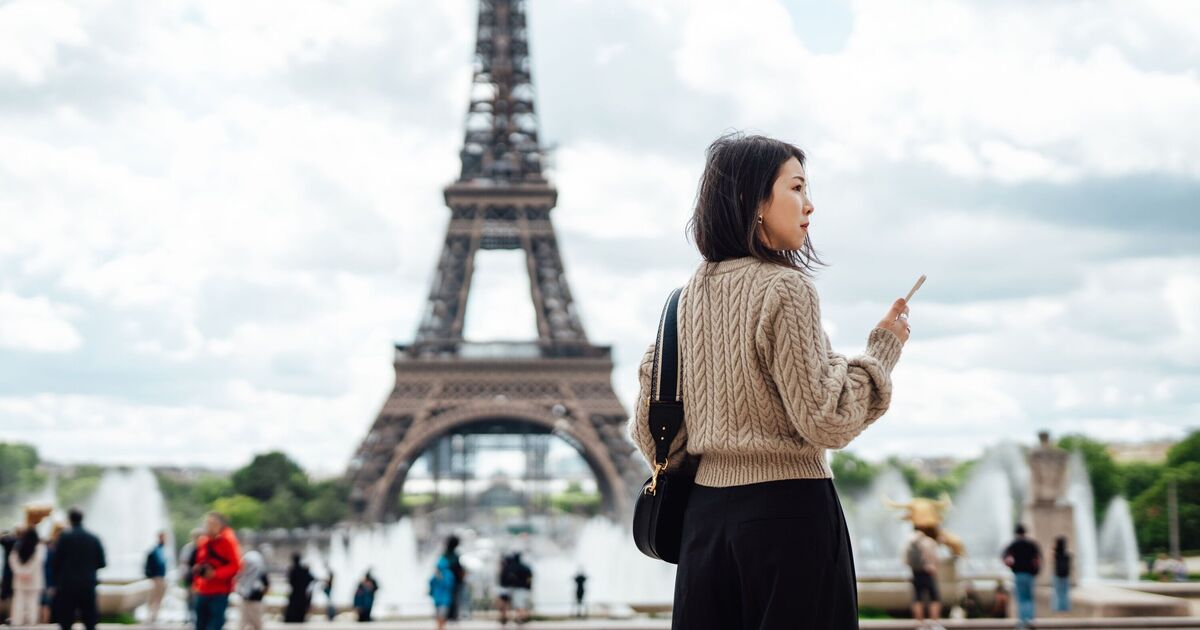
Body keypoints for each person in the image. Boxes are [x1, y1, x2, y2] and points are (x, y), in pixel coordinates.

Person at [626, 132, 910, 629]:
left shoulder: (682, 301)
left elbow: (652, 435)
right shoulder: (786, 288)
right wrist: (881, 351)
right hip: (789, 516)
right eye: (796, 187)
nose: (809, 205)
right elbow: (825, 419)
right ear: (752, 200)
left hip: (704, 525)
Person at [51, 508, 106, 630]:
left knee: (66, 619)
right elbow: (102, 563)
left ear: (69, 519)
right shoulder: (93, 538)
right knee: (90, 619)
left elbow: (55, 562)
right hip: (87, 583)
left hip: (67, 584)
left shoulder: (64, 538)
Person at [192, 512, 242, 630]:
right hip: (203, 589)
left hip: (220, 591)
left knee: (215, 625)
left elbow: (235, 566)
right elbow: (200, 562)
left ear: (221, 525)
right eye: (208, 523)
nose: (210, 526)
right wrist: (197, 573)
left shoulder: (228, 540)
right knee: (199, 624)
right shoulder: (204, 542)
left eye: (213, 524)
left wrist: (216, 574)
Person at [1002, 524, 1041, 629]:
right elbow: (1037, 559)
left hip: (1019, 574)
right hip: (1029, 575)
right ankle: (1030, 621)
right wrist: (1035, 571)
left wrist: (1012, 566)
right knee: (1029, 599)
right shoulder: (1031, 544)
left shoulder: (1013, 544)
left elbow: (1005, 558)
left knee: (1021, 599)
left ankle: (1023, 623)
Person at [904, 527, 943, 629]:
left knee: (917, 598)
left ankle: (919, 624)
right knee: (934, 597)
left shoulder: (909, 542)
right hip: (928, 572)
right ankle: (935, 623)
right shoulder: (928, 541)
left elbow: (905, 560)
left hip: (915, 573)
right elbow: (935, 557)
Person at [8, 528, 45, 626]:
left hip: (19, 580)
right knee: (33, 603)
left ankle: (17, 622)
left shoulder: (18, 546)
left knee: (18, 602)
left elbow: (12, 559)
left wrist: (20, 572)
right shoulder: (39, 547)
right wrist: (27, 572)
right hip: (34, 580)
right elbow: (37, 561)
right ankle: (31, 623)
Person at [236, 550, 268, 630]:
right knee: (243, 622)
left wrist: (259, 594)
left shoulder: (260, 573)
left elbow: (266, 586)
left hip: (256, 602)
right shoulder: (243, 573)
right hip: (245, 601)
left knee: (257, 622)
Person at [41, 522, 64, 625]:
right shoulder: (52, 546)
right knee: (48, 604)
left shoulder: (51, 545)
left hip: (55, 580)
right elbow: (48, 566)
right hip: (51, 580)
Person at [144, 531, 169, 623]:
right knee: (154, 597)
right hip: (156, 577)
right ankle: (150, 615)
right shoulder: (155, 550)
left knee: (159, 597)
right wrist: (150, 575)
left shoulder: (162, 549)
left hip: (161, 577)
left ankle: (155, 615)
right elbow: (149, 564)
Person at [179, 529, 202, 625]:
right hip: (190, 577)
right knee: (190, 598)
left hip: (200, 577)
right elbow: (184, 563)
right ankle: (189, 616)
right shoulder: (188, 548)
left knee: (198, 598)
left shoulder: (203, 547)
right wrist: (183, 575)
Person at [428, 549, 455, 630]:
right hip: (440, 599)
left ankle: (441, 628)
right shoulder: (439, 574)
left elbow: (449, 585)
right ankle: (440, 627)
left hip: (443, 599)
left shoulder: (447, 574)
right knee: (439, 615)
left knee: (441, 615)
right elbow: (431, 583)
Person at [284, 553, 313, 623]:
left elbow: (290, 581)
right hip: (301, 593)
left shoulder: (293, 570)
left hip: (296, 592)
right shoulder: (303, 570)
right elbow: (311, 579)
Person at [510, 553, 532, 625]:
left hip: (518, 589)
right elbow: (529, 578)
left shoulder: (514, 568)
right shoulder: (526, 567)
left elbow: (511, 579)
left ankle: (520, 618)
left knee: (519, 605)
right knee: (523, 604)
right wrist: (528, 587)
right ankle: (523, 617)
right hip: (525, 589)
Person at [1052, 536, 1071, 612]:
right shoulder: (1067, 554)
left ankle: (1059, 608)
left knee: (1058, 593)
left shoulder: (1056, 554)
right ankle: (1065, 608)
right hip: (1065, 575)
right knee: (1065, 593)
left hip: (1057, 575)